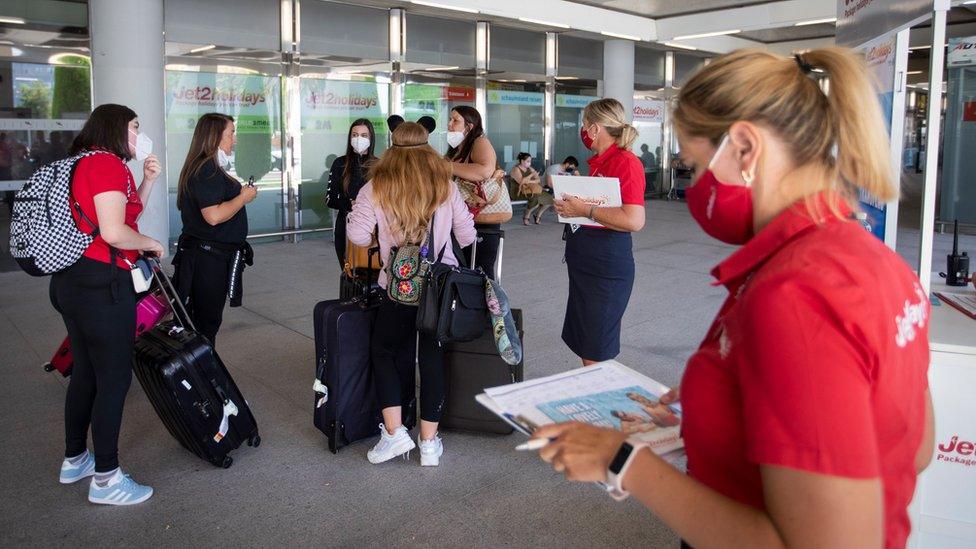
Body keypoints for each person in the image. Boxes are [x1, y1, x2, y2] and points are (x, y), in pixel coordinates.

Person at [532, 49, 934, 548]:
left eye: (695, 167)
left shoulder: (797, 294)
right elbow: (914, 447)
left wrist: (623, 462)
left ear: (744, 147)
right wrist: (720, 409)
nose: (694, 188)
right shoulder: (875, 261)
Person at [50, 104, 165, 505]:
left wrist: (147, 182)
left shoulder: (86, 162)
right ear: (117, 128)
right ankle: (107, 479)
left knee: (86, 372)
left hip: (75, 281)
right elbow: (118, 233)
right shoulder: (105, 165)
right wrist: (152, 244)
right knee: (114, 379)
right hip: (101, 286)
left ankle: (75, 459)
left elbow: (121, 219)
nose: (139, 133)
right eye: (135, 126)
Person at [347, 122, 476, 467]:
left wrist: (381, 239)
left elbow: (358, 235)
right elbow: (466, 235)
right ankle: (429, 445)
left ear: (392, 145)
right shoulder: (444, 185)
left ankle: (394, 434)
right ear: (428, 145)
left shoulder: (376, 185)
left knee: (384, 351)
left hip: (398, 287)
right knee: (432, 358)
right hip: (438, 287)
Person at [554, 98, 645, 366]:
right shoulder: (599, 163)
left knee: (596, 350)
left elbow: (634, 220)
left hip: (605, 270)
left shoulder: (625, 162)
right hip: (586, 264)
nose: (583, 132)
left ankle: (601, 403)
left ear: (594, 129)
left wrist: (584, 209)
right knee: (587, 345)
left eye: (585, 125)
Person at [173, 113, 257, 346]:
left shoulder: (206, 168)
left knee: (204, 320)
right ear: (215, 137)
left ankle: (200, 369)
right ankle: (199, 372)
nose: (235, 139)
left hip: (210, 256)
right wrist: (243, 197)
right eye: (231, 133)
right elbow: (213, 216)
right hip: (206, 259)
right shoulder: (205, 170)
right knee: (204, 322)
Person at [445, 106, 501, 277]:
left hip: (481, 222)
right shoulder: (457, 149)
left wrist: (445, 166)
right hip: (461, 220)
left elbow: (485, 171)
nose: (449, 124)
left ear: (469, 126)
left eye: (455, 120)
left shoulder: (480, 142)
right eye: (450, 119)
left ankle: (487, 304)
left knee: (480, 273)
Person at [326, 118, 377, 269]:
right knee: (348, 272)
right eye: (354, 135)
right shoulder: (339, 163)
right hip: (345, 226)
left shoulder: (379, 165)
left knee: (371, 275)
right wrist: (349, 203)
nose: (358, 139)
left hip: (373, 229)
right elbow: (329, 199)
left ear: (371, 138)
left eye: (363, 135)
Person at [510, 153, 552, 225]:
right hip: (519, 191)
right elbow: (522, 182)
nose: (529, 163)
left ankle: (538, 215)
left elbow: (538, 180)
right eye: (528, 161)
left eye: (530, 161)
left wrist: (529, 180)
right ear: (522, 161)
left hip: (531, 189)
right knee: (535, 198)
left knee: (549, 198)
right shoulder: (516, 169)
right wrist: (532, 175)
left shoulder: (530, 168)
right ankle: (526, 216)